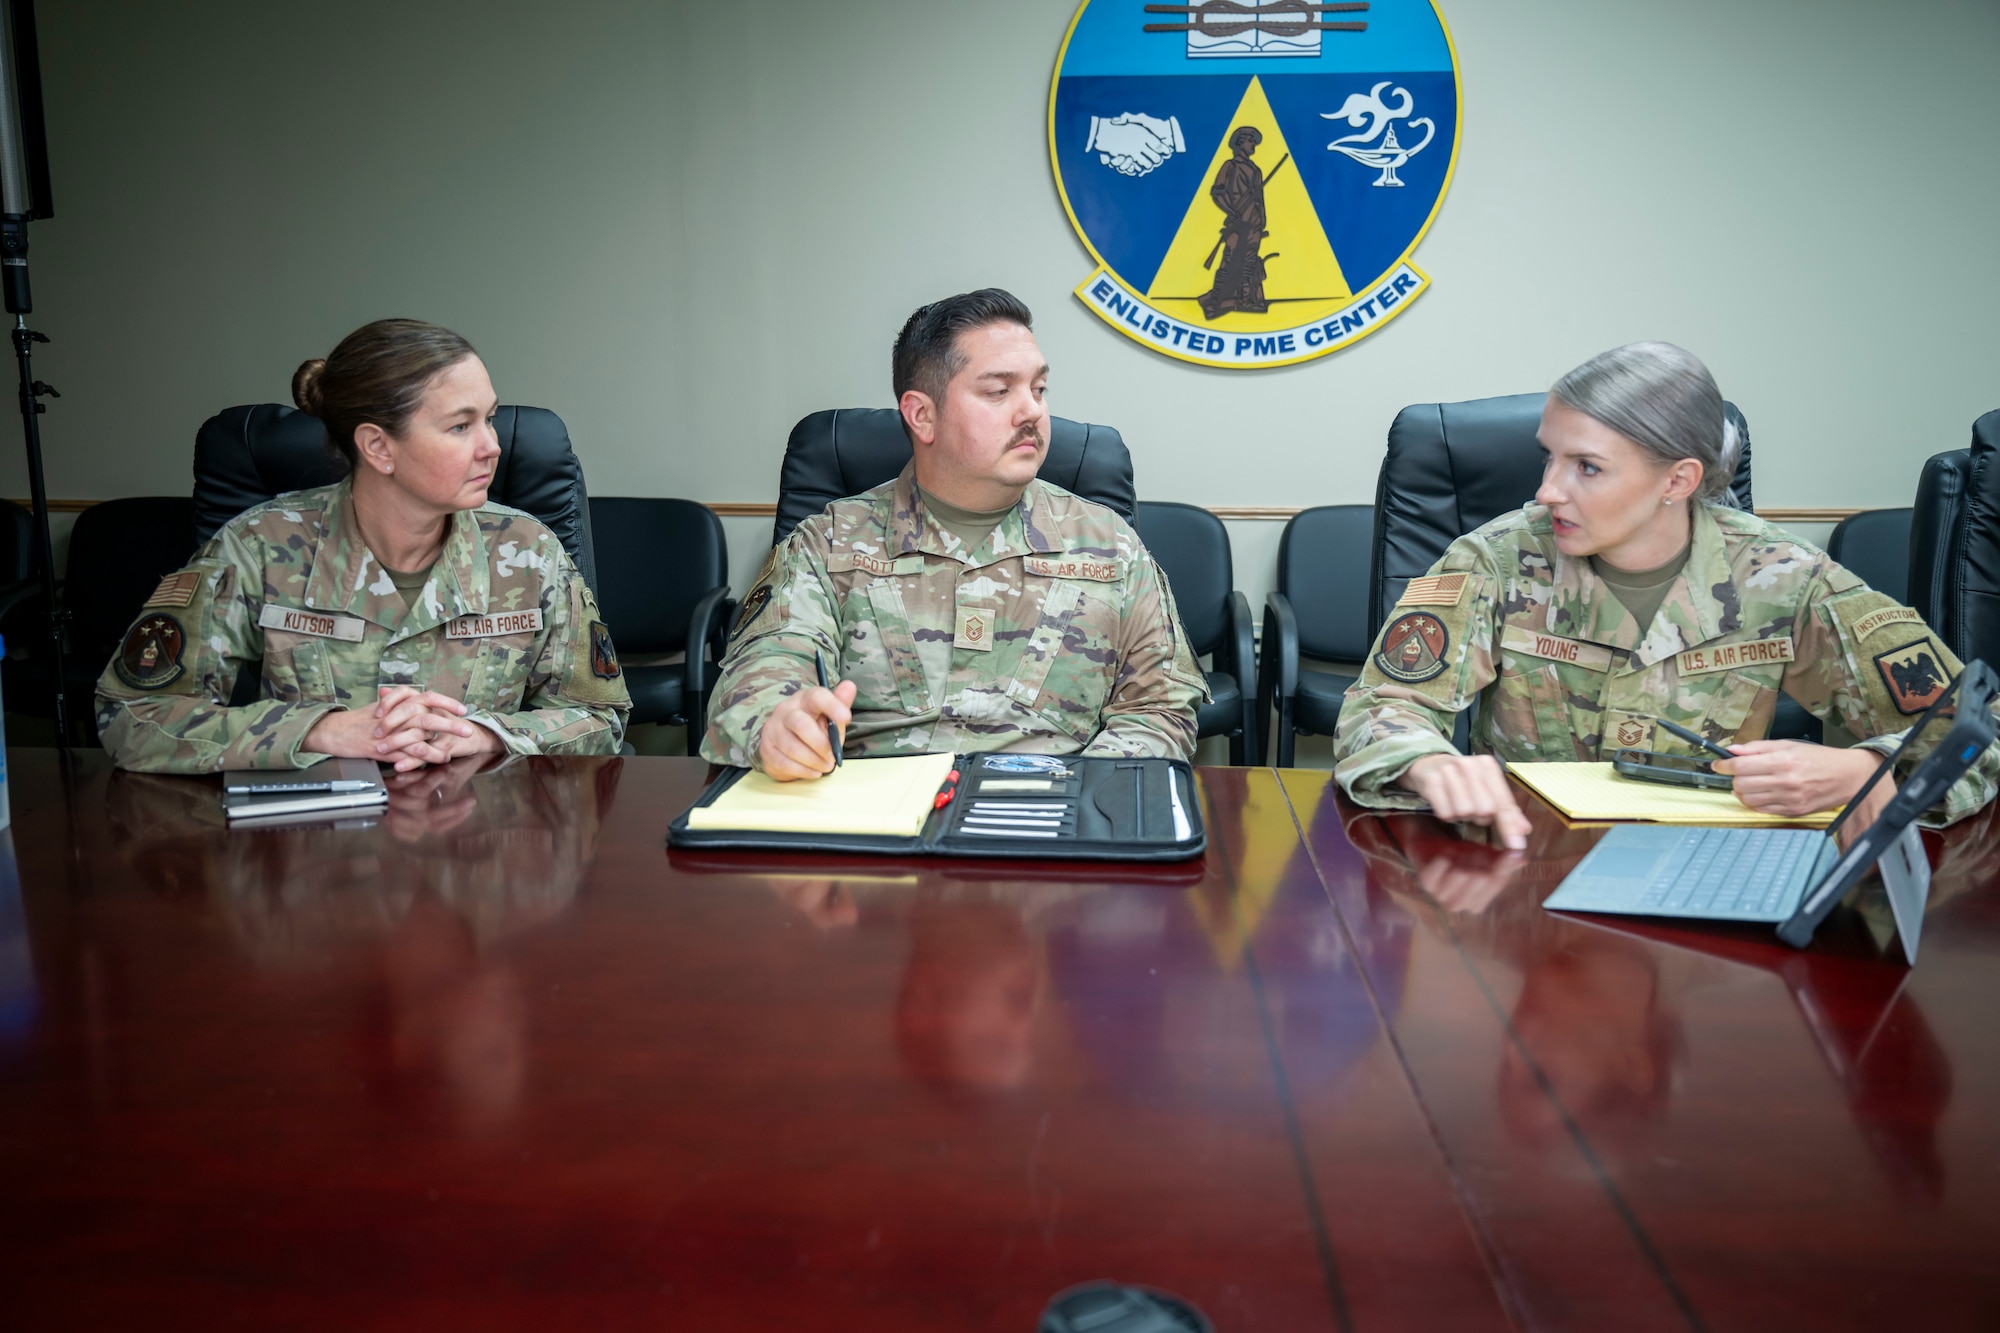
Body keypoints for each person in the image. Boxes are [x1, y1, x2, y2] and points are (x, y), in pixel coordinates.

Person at [1334, 341, 1999, 847]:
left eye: (1586, 467)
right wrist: (1423, 761)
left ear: (1678, 480)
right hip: (1525, 863)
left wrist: (1866, 770)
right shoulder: (1496, 560)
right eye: (1550, 457)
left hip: (1708, 877)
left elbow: (1976, 726)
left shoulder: (1784, 576)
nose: (1547, 490)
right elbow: (1382, 707)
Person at [702, 288, 1208, 779]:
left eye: (1039, 389)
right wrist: (776, 726)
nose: (1031, 410)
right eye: (999, 391)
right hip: (875, 825)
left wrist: (1077, 800)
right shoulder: (829, 542)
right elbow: (762, 677)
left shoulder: (1109, 545)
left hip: (1048, 828)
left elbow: (1161, 708)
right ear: (922, 415)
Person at [96, 318, 630, 773]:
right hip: (317, 859)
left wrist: (488, 737)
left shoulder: (528, 551)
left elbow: (602, 718)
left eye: (488, 418)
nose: (492, 446)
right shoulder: (259, 547)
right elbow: (130, 718)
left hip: (480, 857)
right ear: (378, 446)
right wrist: (318, 732)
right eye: (461, 426)